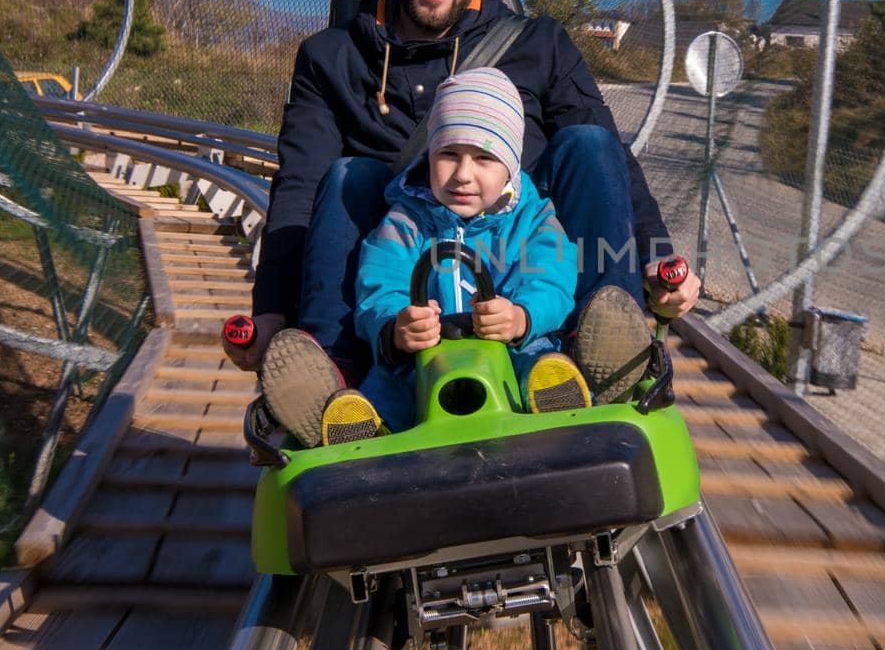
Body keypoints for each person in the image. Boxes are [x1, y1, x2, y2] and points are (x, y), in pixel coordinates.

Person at [226, 0, 700, 386]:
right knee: (346, 177)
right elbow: (299, 187)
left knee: (589, 142)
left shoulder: (539, 45)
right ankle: (333, 379)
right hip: (401, 270)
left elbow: (612, 162)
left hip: (526, 257)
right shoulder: (330, 58)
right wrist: (270, 306)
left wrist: (659, 260)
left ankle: (604, 352)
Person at [259, 68, 627, 447]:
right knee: (389, 384)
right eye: (449, 154)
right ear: (430, 154)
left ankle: (554, 402)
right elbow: (380, 279)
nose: (462, 174)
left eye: (484, 158)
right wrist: (395, 325)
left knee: (535, 362)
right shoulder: (406, 219)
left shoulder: (532, 219)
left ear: (511, 167)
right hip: (424, 355)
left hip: (509, 343)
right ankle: (363, 432)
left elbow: (552, 276)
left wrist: (521, 316)